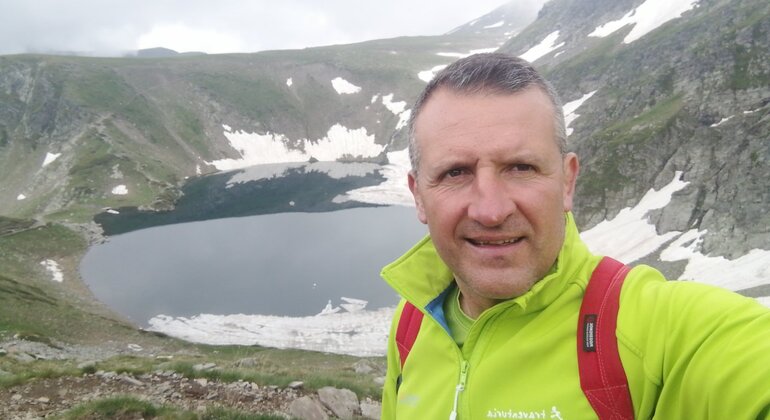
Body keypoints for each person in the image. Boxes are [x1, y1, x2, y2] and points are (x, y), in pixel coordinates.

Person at [380, 53, 770, 419]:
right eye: (455, 172)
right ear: (418, 195)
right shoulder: (411, 326)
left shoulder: (657, 330)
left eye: (521, 167)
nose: (491, 210)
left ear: (567, 181)